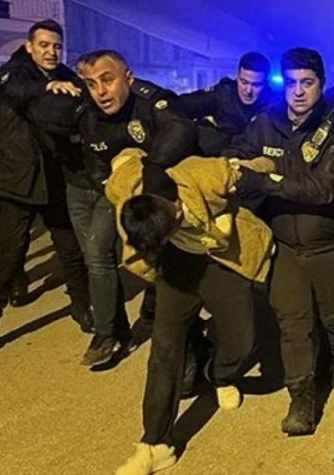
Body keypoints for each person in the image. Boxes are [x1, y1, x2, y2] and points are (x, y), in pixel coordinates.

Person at [106, 148, 273, 475]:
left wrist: (267, 168)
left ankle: (219, 375)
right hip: (177, 267)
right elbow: (124, 162)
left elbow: (250, 169)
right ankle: (155, 444)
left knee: (241, 341)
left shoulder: (203, 174)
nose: (180, 216)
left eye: (175, 213)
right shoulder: (130, 193)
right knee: (164, 351)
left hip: (220, 261)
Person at [226, 47, 334, 436]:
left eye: (307, 83)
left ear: (321, 84)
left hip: (331, 247)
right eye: (291, 83)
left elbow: (322, 189)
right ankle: (301, 398)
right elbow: (238, 156)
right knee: (293, 323)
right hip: (284, 245)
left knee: (330, 324)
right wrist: (237, 167)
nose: (298, 92)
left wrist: (267, 180)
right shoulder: (266, 123)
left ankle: (326, 371)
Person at [77, 49, 197, 365]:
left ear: (128, 78)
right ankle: (108, 332)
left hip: (160, 188)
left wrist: (152, 173)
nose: (101, 92)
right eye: (91, 84)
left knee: (162, 251)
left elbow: (181, 129)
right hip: (119, 190)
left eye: (107, 80)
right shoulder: (88, 116)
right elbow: (95, 167)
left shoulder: (153, 102)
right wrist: (116, 193)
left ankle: (156, 308)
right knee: (96, 249)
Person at [0, 19, 92, 327]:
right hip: (19, 178)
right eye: (44, 45)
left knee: (70, 248)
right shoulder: (16, 71)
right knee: (11, 250)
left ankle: (81, 305)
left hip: (54, 175)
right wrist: (45, 88)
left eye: (57, 46)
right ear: (30, 47)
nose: (51, 52)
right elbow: (13, 89)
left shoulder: (65, 75)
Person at [179, 52, 273, 156]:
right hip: (217, 158)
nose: (248, 91)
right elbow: (182, 105)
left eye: (256, 85)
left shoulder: (274, 105)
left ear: (265, 83)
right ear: (237, 76)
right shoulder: (223, 94)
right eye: (243, 82)